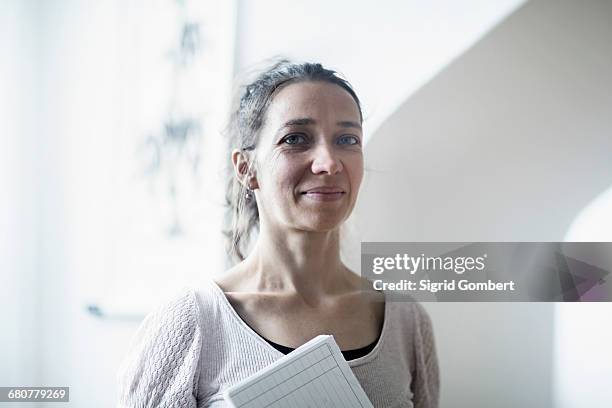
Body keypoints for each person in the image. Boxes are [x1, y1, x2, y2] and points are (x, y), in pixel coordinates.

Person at [117, 60, 439, 407]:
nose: (328, 163)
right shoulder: (192, 322)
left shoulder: (407, 321)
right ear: (246, 169)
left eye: (347, 139)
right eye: (296, 138)